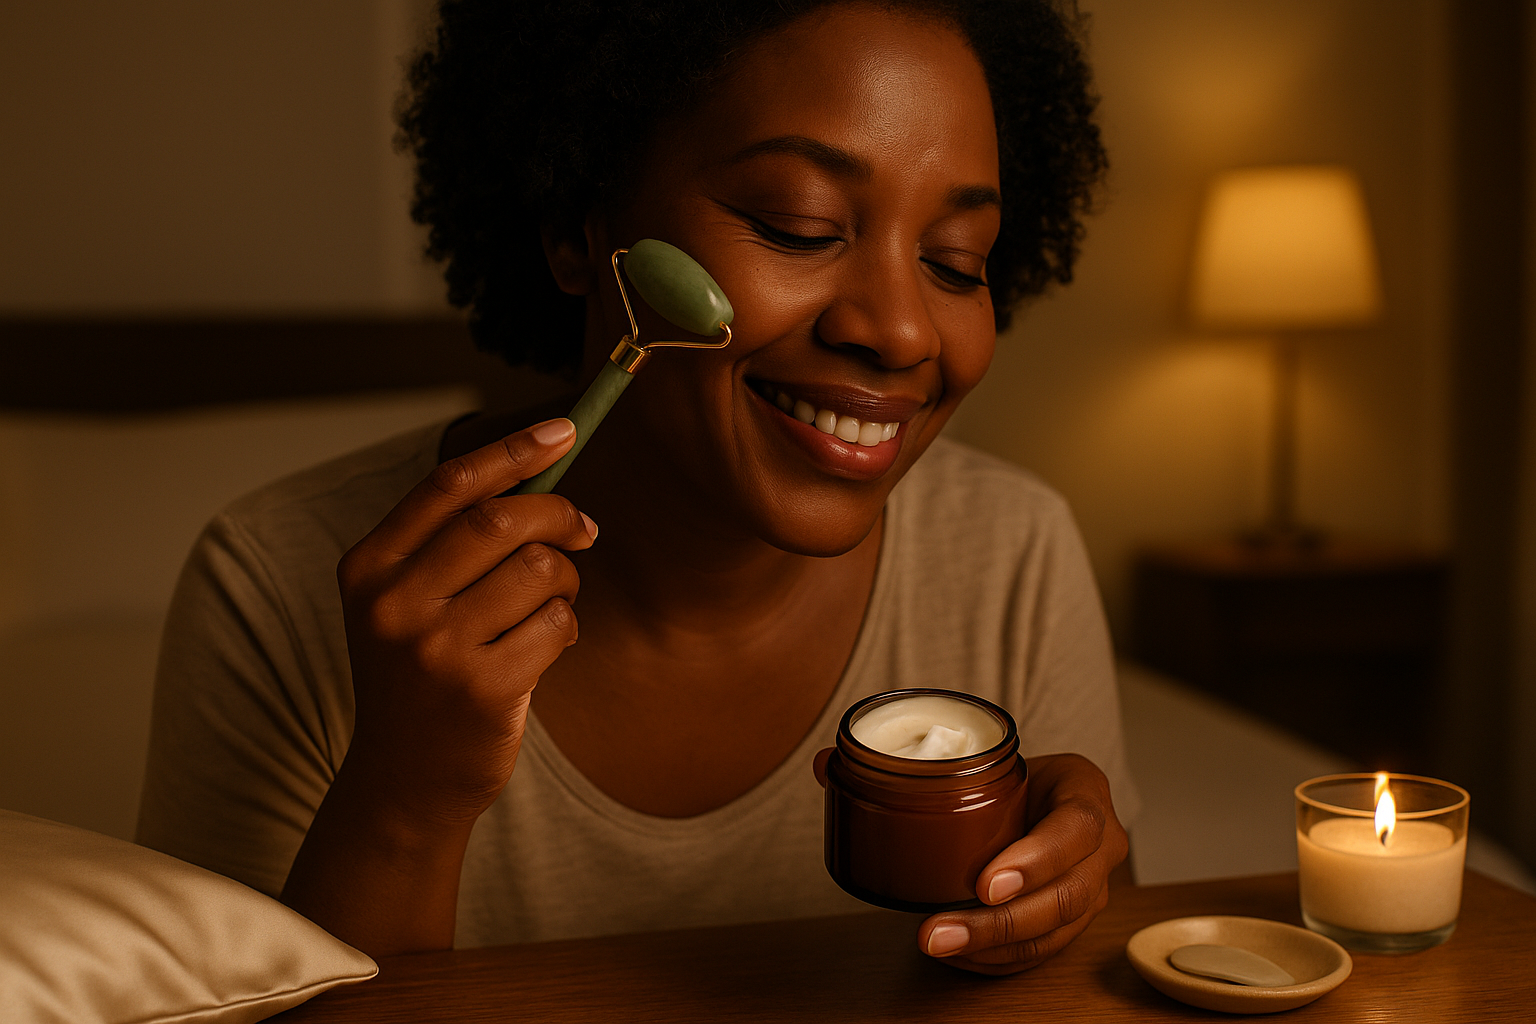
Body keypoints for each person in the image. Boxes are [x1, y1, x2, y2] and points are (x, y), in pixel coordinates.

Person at [137, 0, 1138, 976]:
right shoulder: (273, 581)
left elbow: (1105, 969)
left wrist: (1070, 878)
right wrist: (404, 790)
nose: (904, 329)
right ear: (580, 232)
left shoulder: (1014, 546)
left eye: (956, 262)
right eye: (798, 226)